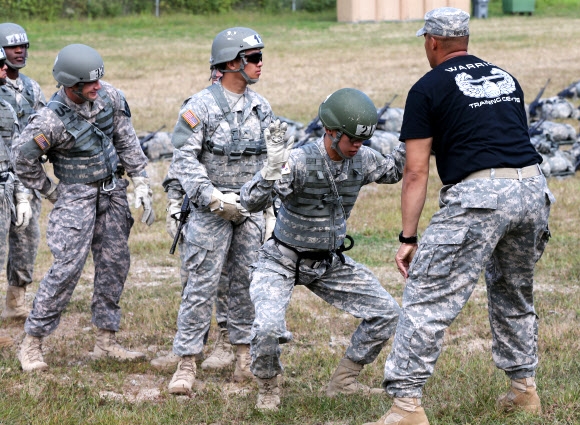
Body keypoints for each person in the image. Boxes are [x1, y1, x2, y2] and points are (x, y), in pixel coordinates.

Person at [365, 8, 553, 425]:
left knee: (427, 299)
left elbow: (415, 171)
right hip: (532, 189)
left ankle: (406, 407)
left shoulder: (427, 88)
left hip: (481, 196)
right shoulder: (506, 78)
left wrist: (408, 237)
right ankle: (524, 390)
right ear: (465, 39)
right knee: (513, 291)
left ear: (432, 42)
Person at [240, 88, 406, 411]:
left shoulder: (362, 159)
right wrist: (271, 170)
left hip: (327, 263)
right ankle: (268, 385)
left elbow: (393, 172)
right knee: (268, 328)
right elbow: (250, 201)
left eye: (362, 140)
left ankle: (343, 382)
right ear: (330, 132)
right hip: (282, 259)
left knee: (387, 313)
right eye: (352, 140)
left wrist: (413, 135)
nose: (358, 146)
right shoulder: (300, 162)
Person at [11, 43, 155, 372]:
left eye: (99, 80)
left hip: (112, 193)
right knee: (65, 271)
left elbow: (126, 139)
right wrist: (50, 191)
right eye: (89, 83)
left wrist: (141, 180)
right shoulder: (48, 121)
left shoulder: (111, 99)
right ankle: (32, 342)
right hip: (75, 197)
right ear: (70, 84)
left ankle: (106, 341)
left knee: (114, 266)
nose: (97, 87)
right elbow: (21, 159)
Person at [164, 27, 274, 394]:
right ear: (231, 62)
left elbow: (272, 162)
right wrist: (212, 198)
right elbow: (184, 159)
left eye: (260, 56)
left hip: (249, 211)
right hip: (211, 210)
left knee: (247, 284)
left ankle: (243, 355)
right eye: (253, 57)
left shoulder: (262, 108)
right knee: (200, 286)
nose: (260, 64)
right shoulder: (199, 107)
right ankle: (186, 363)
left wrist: (268, 208)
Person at [0, 22, 46, 320]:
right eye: (13, 47)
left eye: (23, 46)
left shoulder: (31, 88)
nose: (20, 52)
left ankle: (16, 301)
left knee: (27, 240)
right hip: (2, 178)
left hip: (26, 178)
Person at [0, 47, 30, 346]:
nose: (3, 71)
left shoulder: (6, 108)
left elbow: (13, 157)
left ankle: (14, 301)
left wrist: (21, 193)